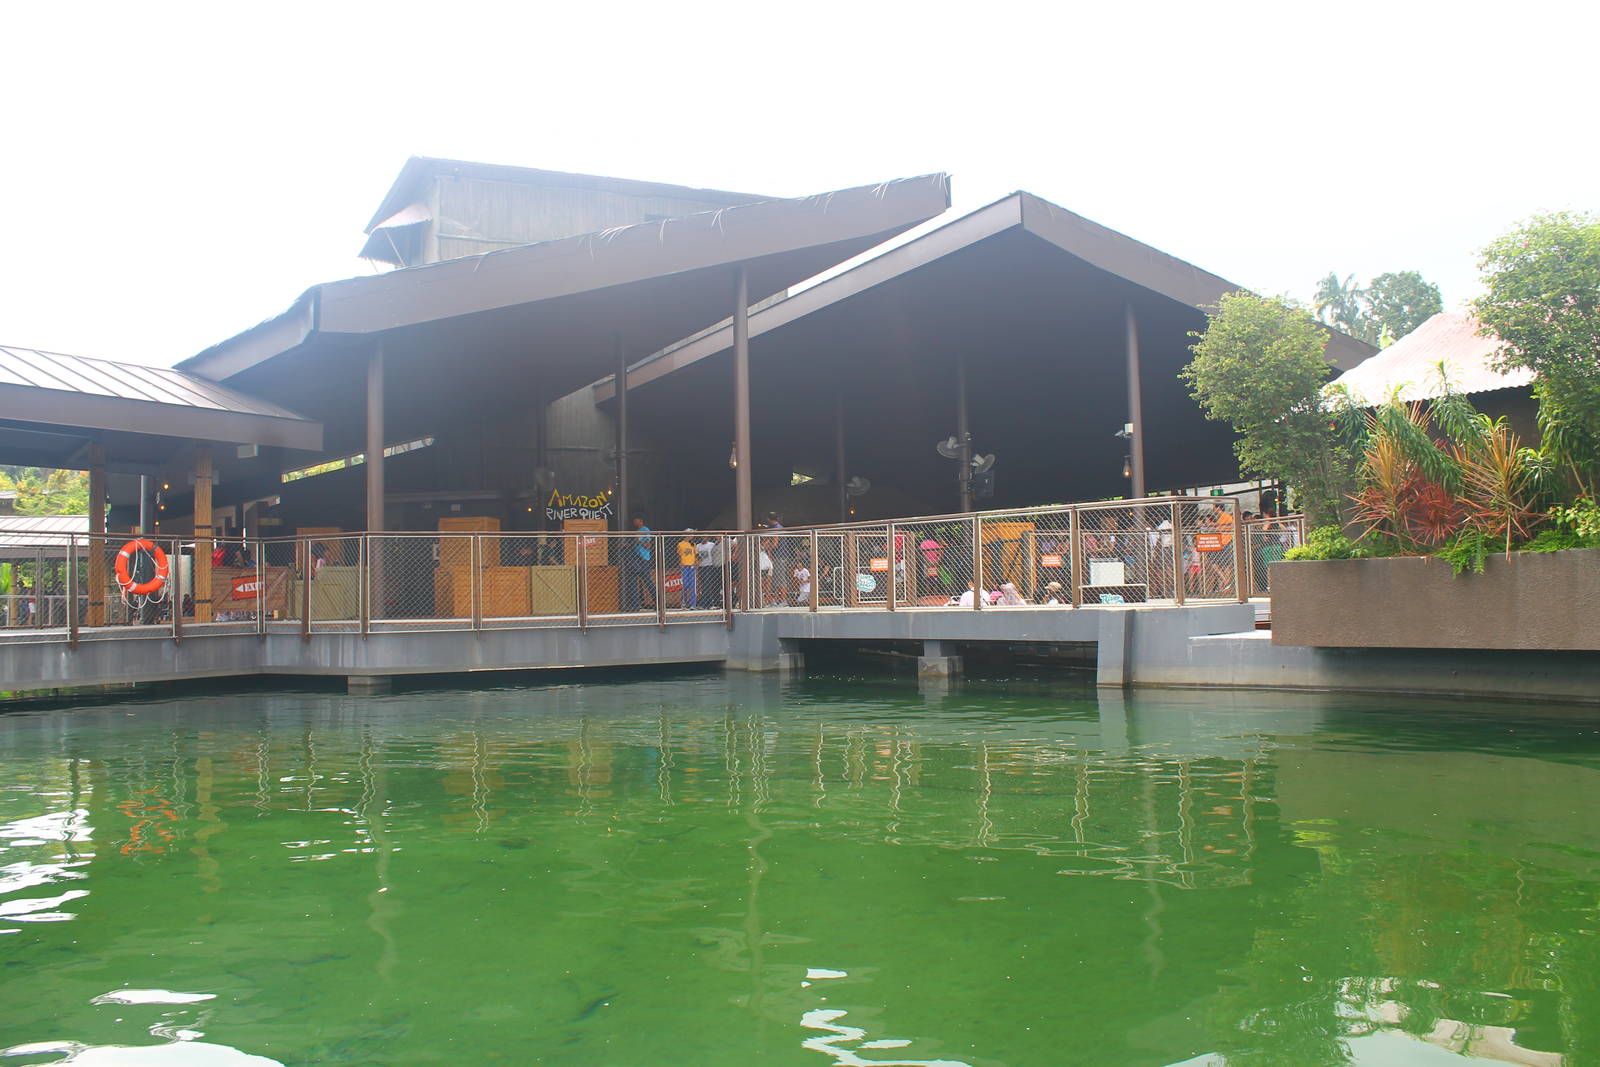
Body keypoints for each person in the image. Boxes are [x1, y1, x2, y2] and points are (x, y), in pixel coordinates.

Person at [623, 514, 655, 612]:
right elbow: (635, 544)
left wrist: (638, 542)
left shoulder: (646, 530)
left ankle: (657, 601)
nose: (634, 522)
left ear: (640, 521)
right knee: (633, 581)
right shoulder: (637, 531)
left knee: (646, 580)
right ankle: (635, 605)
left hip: (643, 559)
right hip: (634, 558)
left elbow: (648, 546)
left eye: (636, 520)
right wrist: (627, 545)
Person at [676, 530, 698, 609]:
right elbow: (679, 555)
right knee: (685, 584)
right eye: (690, 534)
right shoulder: (680, 544)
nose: (692, 536)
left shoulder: (693, 544)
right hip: (684, 566)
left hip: (692, 566)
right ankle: (684, 602)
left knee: (692, 585)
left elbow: (695, 555)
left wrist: (696, 562)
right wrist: (680, 563)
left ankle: (693, 604)